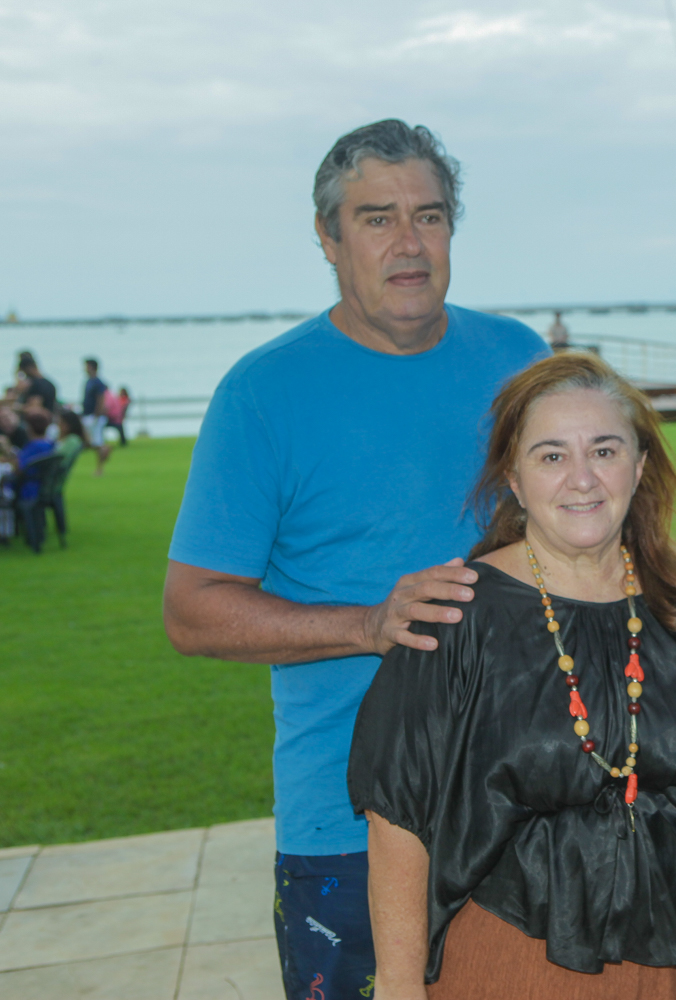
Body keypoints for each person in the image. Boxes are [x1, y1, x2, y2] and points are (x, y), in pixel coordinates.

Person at [162, 119, 548, 1000]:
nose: (409, 243)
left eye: (429, 215)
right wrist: (370, 625)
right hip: (346, 825)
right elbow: (191, 610)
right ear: (329, 238)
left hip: (520, 801)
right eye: (377, 219)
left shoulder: (519, 361)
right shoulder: (263, 393)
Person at [349, 352, 676, 1000]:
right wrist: (399, 985)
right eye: (551, 456)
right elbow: (397, 815)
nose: (582, 479)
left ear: (639, 465)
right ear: (514, 478)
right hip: (509, 960)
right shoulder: (455, 617)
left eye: (604, 450)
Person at [80, 358, 113, 474]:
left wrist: (97, 415)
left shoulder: (98, 383)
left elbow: (101, 399)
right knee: (90, 442)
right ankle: (105, 450)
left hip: (94, 417)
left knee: (97, 442)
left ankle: (100, 468)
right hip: (88, 415)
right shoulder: (89, 381)